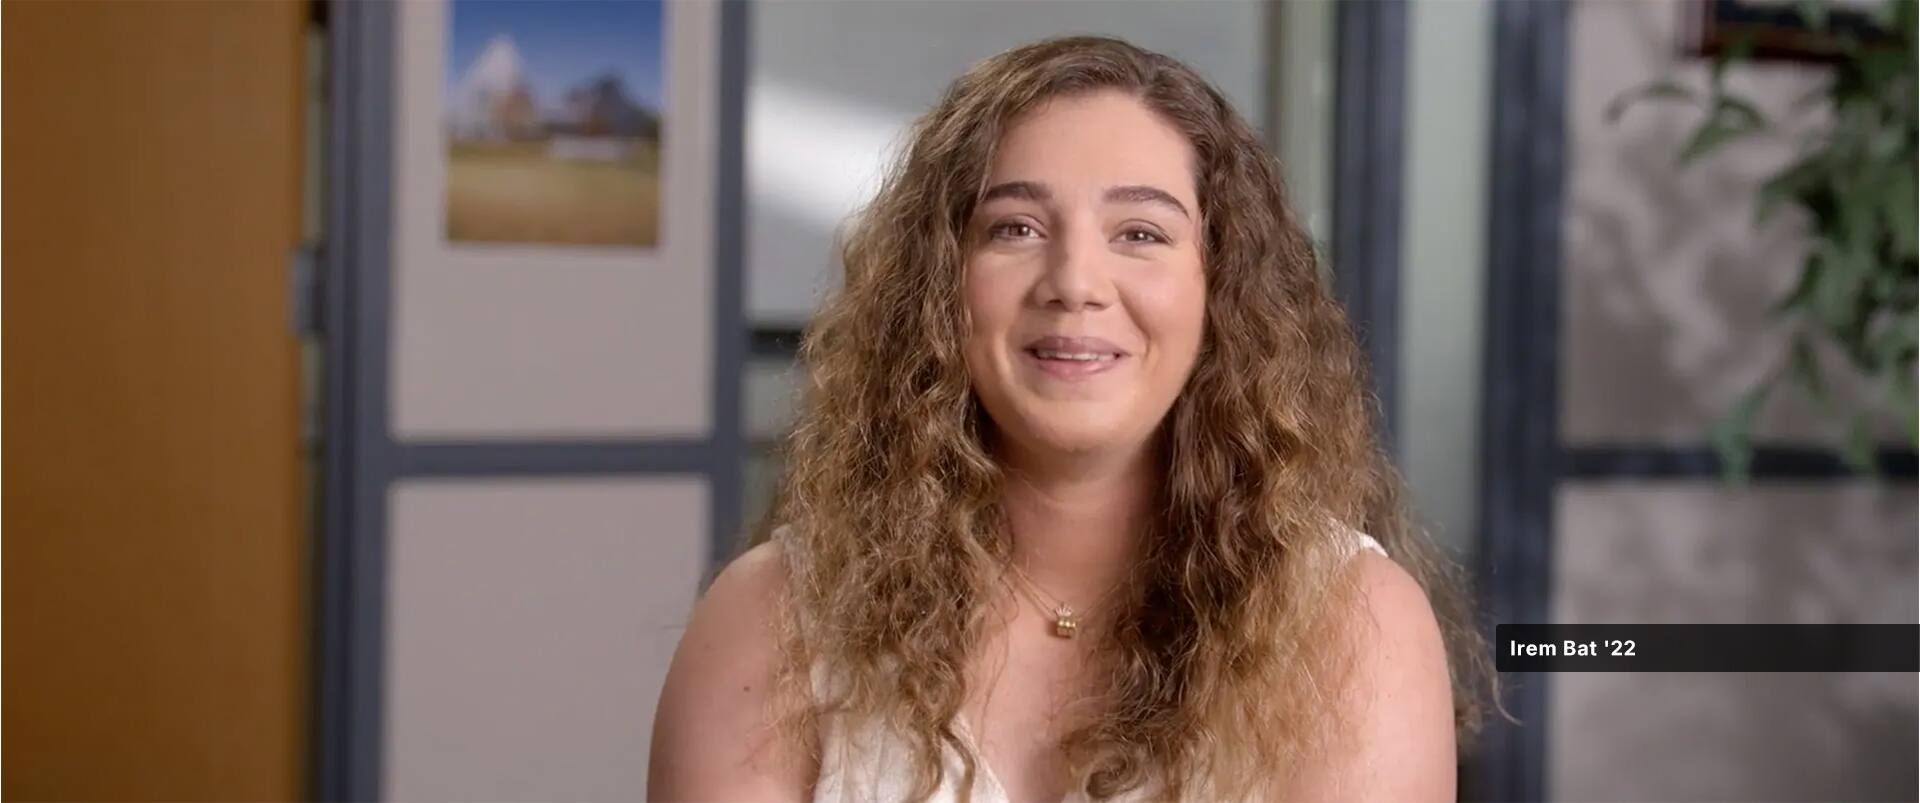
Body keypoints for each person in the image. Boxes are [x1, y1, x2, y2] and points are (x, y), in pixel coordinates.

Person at [650, 35, 1494, 803]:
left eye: (1140, 232)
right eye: (1014, 227)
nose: (1075, 280)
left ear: (1223, 292)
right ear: (938, 287)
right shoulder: (774, 616)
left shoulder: (1351, 625)